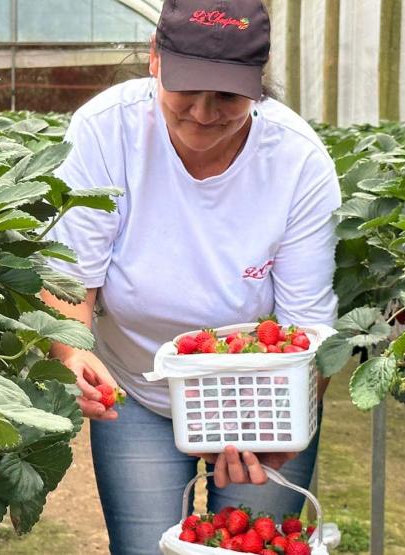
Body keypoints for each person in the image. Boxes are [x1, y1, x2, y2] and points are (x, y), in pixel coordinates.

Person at [40, 0, 341, 552]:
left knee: (255, 545)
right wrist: (73, 353)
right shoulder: (107, 132)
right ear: (155, 60)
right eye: (188, 90)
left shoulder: (297, 162)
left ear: (259, 80)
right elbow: (68, 279)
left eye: (227, 95)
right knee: (145, 547)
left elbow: (306, 327)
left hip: (261, 402)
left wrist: (279, 430)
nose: (204, 113)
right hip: (137, 389)